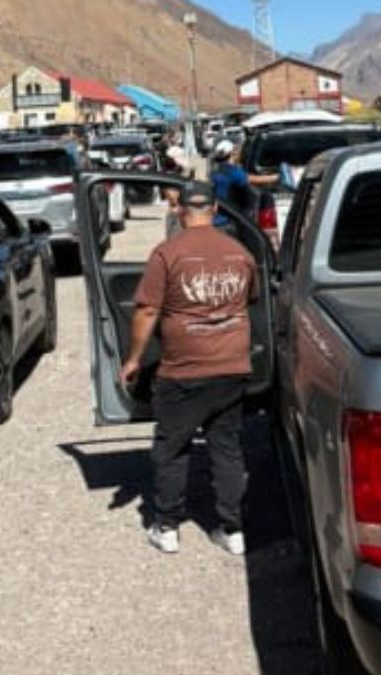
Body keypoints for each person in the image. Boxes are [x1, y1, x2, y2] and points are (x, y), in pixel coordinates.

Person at [122, 181, 257, 556]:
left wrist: (134, 358)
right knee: (226, 447)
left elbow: (147, 309)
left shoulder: (167, 253)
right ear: (214, 209)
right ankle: (233, 530)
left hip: (183, 371)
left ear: (180, 210)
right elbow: (251, 299)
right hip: (232, 366)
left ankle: (167, 527)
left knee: (173, 447)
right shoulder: (239, 253)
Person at [209, 140, 275, 227]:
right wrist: (276, 177)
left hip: (216, 220)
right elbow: (253, 179)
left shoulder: (215, 172)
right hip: (229, 221)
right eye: (236, 151)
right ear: (232, 153)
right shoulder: (233, 172)